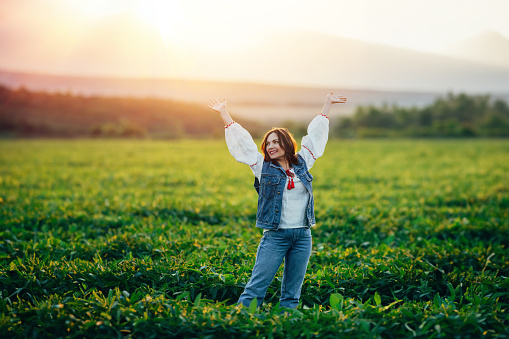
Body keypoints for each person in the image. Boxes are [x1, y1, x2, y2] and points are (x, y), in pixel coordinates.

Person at [208, 93, 347, 309]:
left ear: (286, 144)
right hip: (276, 236)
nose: (270, 146)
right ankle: (238, 323)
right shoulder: (262, 167)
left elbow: (316, 138)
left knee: (292, 293)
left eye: (276, 142)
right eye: (268, 143)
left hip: (303, 235)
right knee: (256, 288)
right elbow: (243, 143)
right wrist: (224, 113)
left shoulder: (303, 162)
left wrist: (327, 105)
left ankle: (285, 325)